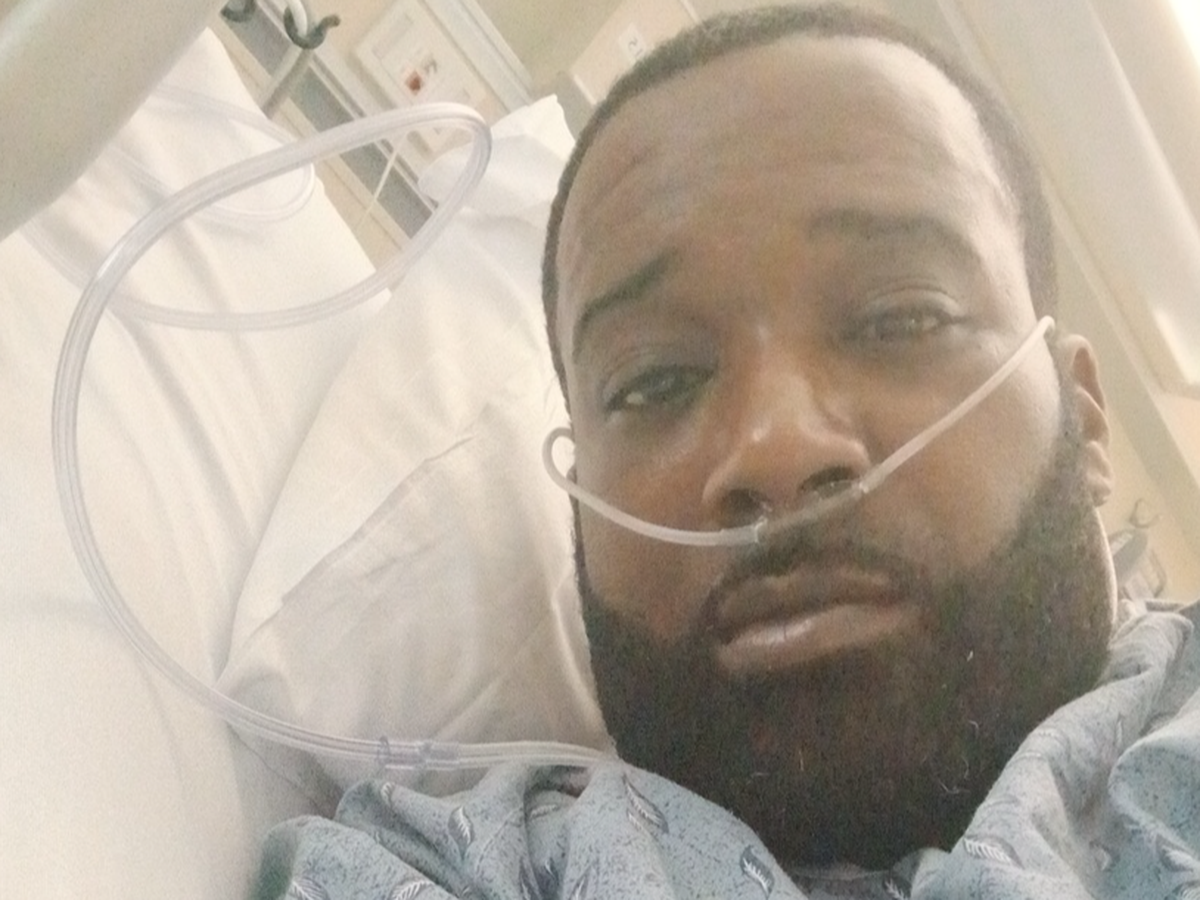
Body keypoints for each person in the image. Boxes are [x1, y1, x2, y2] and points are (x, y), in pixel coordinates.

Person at [255, 4, 1200, 898]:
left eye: (901, 317)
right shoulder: (453, 870)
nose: (776, 447)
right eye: (654, 381)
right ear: (580, 513)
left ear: (1085, 417)